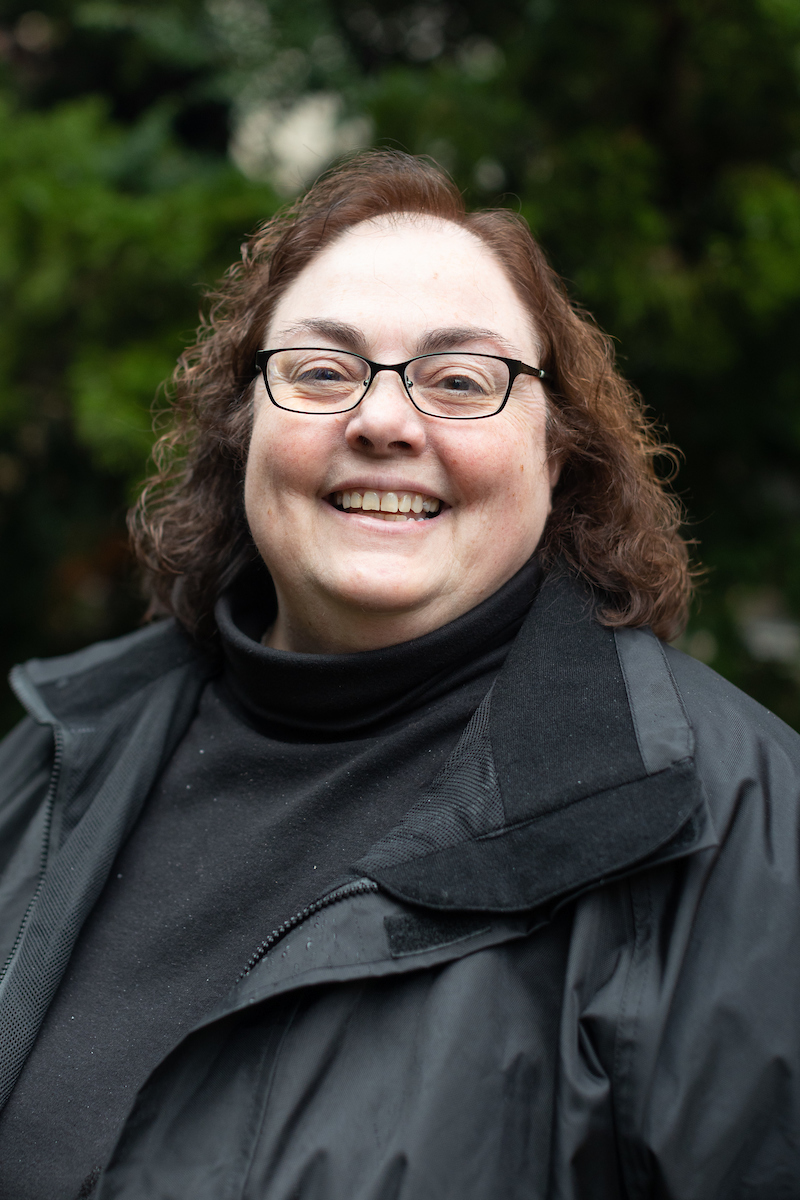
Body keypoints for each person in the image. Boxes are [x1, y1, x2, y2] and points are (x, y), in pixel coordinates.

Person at [0, 150, 798, 1200]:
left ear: (553, 454)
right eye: (322, 372)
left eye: (458, 380)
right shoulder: (55, 750)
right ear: (246, 425)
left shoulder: (729, 821)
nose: (381, 420)